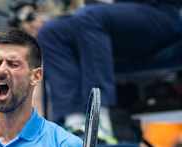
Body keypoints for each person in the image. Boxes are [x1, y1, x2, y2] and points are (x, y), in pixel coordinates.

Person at [35, 1, 182, 139]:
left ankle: (99, 120)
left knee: (89, 17)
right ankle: (75, 123)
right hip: (113, 20)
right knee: (51, 32)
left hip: (161, 13)